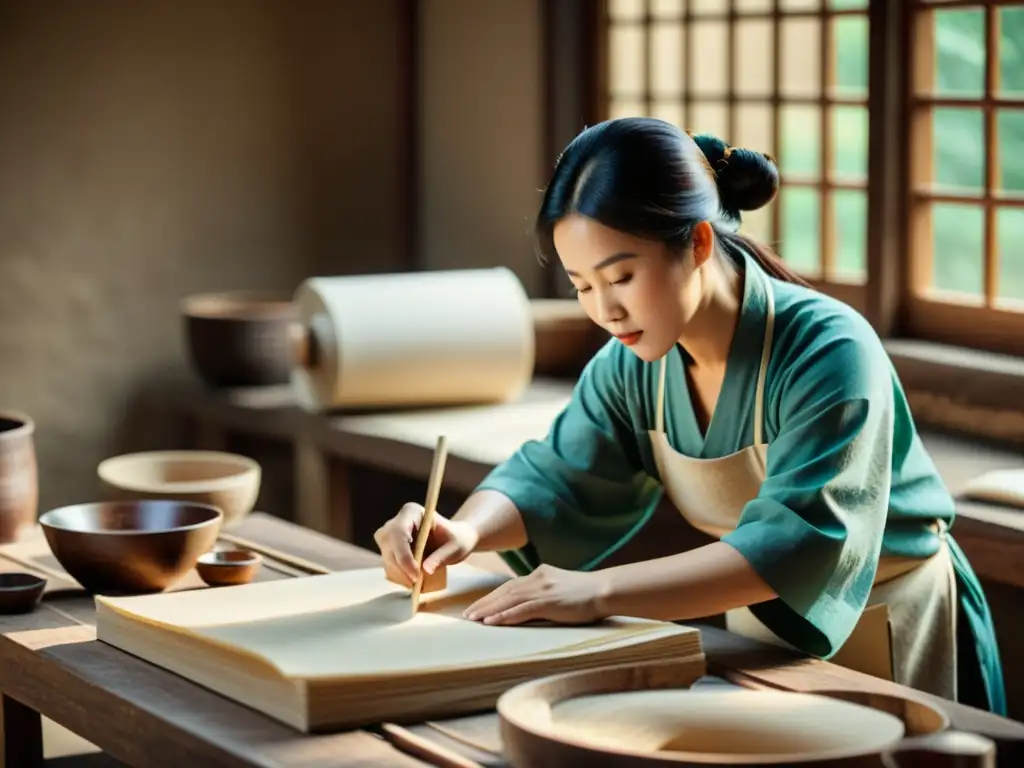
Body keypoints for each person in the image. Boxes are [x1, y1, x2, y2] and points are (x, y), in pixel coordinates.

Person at [373, 117, 1006, 715]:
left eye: (620, 275)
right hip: (764, 629)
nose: (606, 310)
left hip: (896, 620)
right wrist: (464, 530)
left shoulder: (829, 348)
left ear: (698, 241)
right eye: (581, 285)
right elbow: (557, 475)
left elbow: (797, 543)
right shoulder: (634, 362)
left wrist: (595, 592)